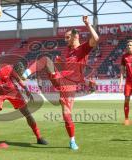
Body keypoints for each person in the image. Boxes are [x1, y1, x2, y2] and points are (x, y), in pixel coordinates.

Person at [19, 16, 99, 150]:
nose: (65, 40)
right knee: (45, 59)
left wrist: (87, 24)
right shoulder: (66, 51)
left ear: (75, 37)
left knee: (66, 114)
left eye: (68, 37)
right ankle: (26, 74)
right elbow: (63, 67)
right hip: (58, 78)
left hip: (69, 85)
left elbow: (96, 39)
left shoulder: (83, 49)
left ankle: (72, 140)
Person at [0, 54, 47, 147]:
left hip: (13, 92)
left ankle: (39, 137)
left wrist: (27, 90)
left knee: (27, 114)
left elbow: (19, 79)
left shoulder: (7, 68)